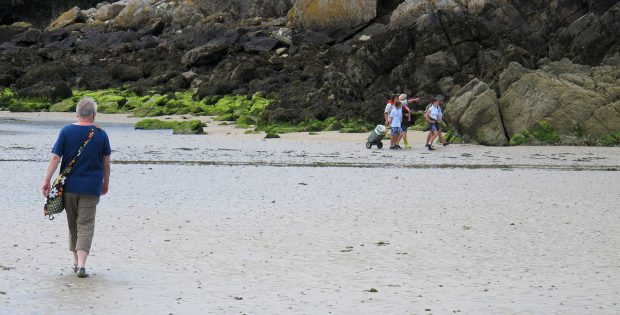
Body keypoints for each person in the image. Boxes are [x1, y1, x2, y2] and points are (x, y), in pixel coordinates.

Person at [42, 97, 111, 278]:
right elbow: (107, 163)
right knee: (86, 224)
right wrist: (106, 183)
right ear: (94, 115)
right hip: (91, 187)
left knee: (73, 224)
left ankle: (75, 262)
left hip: (69, 187)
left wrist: (46, 180)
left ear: (77, 114)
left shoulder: (66, 131)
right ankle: (81, 265)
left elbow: (55, 158)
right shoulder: (101, 134)